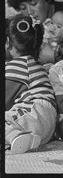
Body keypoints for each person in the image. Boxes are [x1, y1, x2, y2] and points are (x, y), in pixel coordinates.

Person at [5, 15, 57, 154]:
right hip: (45, 124)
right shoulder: (32, 64)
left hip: (33, 112)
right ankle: (18, 139)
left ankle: (16, 136)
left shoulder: (17, 66)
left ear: (7, 42)